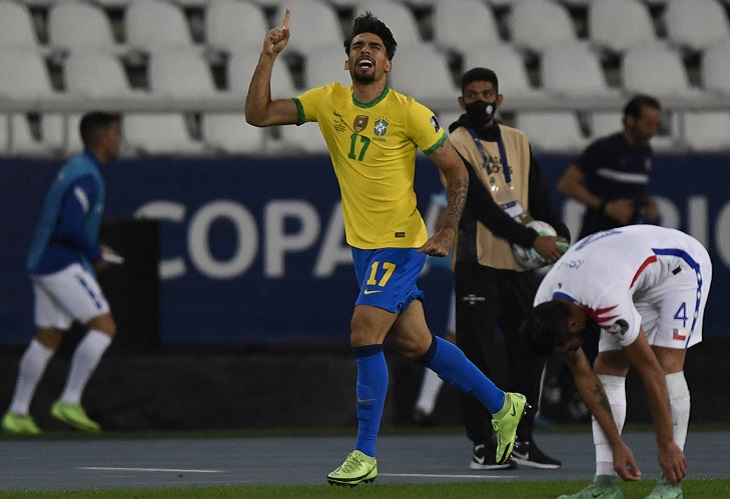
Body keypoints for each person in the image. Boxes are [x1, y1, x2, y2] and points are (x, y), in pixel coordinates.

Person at [245, 10, 527, 486]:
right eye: (358, 46)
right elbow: (258, 114)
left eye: (375, 47)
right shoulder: (327, 101)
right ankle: (503, 404)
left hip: (400, 242)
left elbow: (457, 172)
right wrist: (268, 56)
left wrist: (448, 230)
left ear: (388, 62)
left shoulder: (409, 112)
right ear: (348, 60)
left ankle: (365, 453)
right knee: (417, 343)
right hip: (363, 247)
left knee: (363, 332)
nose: (366, 52)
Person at [520, 225, 711, 499]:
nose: (571, 353)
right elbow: (585, 377)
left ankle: (671, 486)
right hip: (629, 273)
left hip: (680, 268)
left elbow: (651, 372)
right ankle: (605, 484)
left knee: (667, 364)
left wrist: (666, 444)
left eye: (569, 347)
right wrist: (617, 445)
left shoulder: (605, 299)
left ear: (574, 323)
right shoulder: (546, 306)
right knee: (607, 366)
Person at [446, 67, 568, 470]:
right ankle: (484, 443)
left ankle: (520, 440)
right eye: (472, 94)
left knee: (530, 349)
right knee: (476, 357)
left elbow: (539, 197)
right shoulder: (455, 143)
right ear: (462, 100)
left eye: (487, 93)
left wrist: (560, 235)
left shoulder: (518, 141)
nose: (480, 100)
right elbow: (479, 205)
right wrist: (534, 240)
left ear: (499, 99)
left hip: (518, 267)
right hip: (476, 261)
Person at [2, 112, 123, 435]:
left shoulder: (77, 169)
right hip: (60, 264)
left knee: (47, 339)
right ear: (102, 137)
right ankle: (70, 400)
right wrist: (94, 253)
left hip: (43, 262)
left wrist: (95, 245)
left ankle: (17, 411)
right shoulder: (86, 175)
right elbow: (69, 226)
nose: (119, 139)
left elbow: (68, 222)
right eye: (115, 133)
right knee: (104, 328)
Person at [557, 95, 662, 240]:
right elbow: (566, 184)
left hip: (628, 239)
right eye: (648, 124)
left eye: (656, 125)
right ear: (630, 120)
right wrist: (606, 207)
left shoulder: (646, 152)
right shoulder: (604, 148)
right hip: (598, 236)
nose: (653, 131)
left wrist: (645, 203)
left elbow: (627, 191)